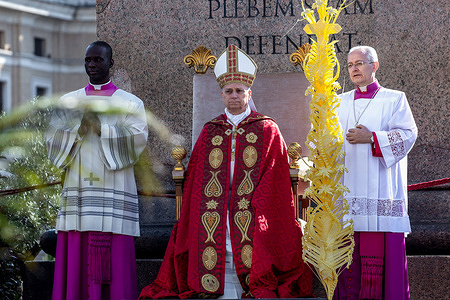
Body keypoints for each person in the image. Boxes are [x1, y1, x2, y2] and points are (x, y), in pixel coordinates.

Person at [139, 45, 312, 299]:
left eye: (239, 91)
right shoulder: (211, 130)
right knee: (202, 219)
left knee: (253, 221)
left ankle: (250, 284)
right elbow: (197, 179)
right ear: (221, 95)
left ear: (248, 93)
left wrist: (254, 201)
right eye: (228, 91)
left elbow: (275, 177)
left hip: (253, 205)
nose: (234, 95)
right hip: (215, 206)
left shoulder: (267, 129)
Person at [46, 41, 148, 300]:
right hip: (78, 192)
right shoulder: (69, 102)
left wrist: (103, 129)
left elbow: (137, 140)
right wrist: (78, 129)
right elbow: (52, 141)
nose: (92, 65)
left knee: (116, 264)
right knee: (76, 260)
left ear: (110, 63)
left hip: (114, 189)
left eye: (98, 60)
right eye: (88, 60)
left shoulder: (130, 103)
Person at [335, 46, 417, 300]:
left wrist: (371, 138)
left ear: (375, 66)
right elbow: (326, 140)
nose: (355, 69)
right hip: (348, 193)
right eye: (350, 65)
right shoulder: (340, 102)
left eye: (360, 63)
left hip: (381, 191)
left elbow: (408, 134)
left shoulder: (394, 99)